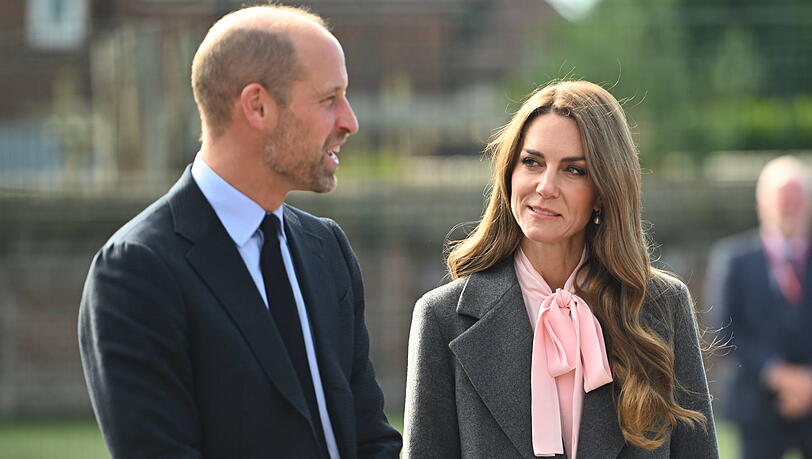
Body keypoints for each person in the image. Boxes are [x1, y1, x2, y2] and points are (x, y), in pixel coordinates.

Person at [78, 5, 401, 458]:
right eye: (329, 99)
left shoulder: (326, 249)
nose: (350, 121)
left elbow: (370, 437)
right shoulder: (136, 270)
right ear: (258, 106)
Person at [403, 81, 717, 458]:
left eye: (574, 171)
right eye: (532, 162)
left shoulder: (662, 306)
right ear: (509, 173)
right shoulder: (442, 317)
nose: (545, 186)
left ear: (604, 190)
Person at [706, 156, 812, 458]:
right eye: (781, 197)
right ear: (761, 203)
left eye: (796, 197)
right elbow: (723, 329)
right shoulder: (733, 260)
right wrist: (777, 373)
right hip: (755, 406)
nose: (788, 205)